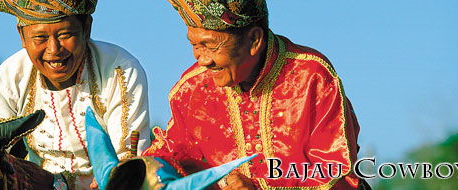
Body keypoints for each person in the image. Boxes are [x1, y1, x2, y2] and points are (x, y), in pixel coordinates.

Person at [143, 0, 367, 189]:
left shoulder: (311, 76)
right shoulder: (192, 89)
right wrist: (142, 170)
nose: (202, 59)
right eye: (195, 45)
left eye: (210, 46)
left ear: (254, 40)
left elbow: (339, 172)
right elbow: (170, 152)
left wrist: (259, 186)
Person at [0, 0, 151, 189]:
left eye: (65, 35)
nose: (54, 50)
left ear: (87, 28)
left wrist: (117, 175)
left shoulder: (120, 68)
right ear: (22, 36)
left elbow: (128, 161)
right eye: (40, 38)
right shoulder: (10, 76)